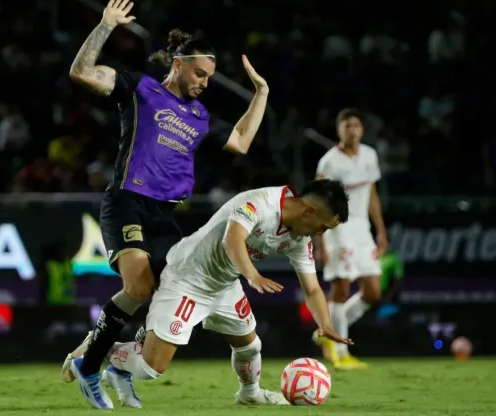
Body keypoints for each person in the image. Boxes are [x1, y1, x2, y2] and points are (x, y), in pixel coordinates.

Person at [61, 0, 270, 409]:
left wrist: (260, 94)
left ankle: (100, 354)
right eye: (200, 74)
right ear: (178, 64)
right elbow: (81, 72)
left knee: (169, 289)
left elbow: (242, 142)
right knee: (139, 285)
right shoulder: (140, 89)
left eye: (210, 77)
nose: (205, 83)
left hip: (164, 214)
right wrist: (105, 26)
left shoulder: (199, 117)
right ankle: (90, 364)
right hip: (127, 203)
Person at [71, 179, 353, 408]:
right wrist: (252, 275)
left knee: (250, 346)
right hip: (188, 279)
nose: (320, 235)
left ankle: (249, 393)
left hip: (224, 284)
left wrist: (325, 324)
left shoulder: (298, 237)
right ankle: (99, 347)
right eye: (323, 228)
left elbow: (312, 287)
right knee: (151, 368)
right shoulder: (262, 203)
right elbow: (233, 239)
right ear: (309, 212)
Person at [312, 108, 388, 370]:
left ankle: (327, 330)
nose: (351, 130)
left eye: (355, 125)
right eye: (346, 125)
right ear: (339, 130)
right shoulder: (329, 163)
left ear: (362, 129)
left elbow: (372, 195)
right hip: (338, 228)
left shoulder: (370, 155)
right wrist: (320, 241)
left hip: (362, 229)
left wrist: (380, 230)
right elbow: (318, 203)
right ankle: (339, 351)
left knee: (373, 291)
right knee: (342, 288)